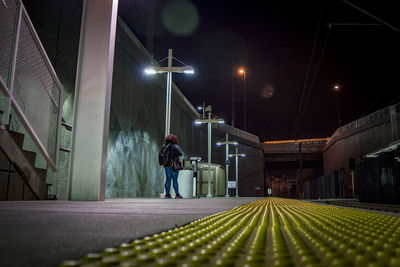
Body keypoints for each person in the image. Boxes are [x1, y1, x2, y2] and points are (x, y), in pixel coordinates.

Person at [160, 134, 184, 199]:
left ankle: (167, 194)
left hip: (167, 165)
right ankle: (177, 194)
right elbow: (180, 153)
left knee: (168, 179)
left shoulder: (164, 146)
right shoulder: (175, 146)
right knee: (175, 180)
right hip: (174, 165)